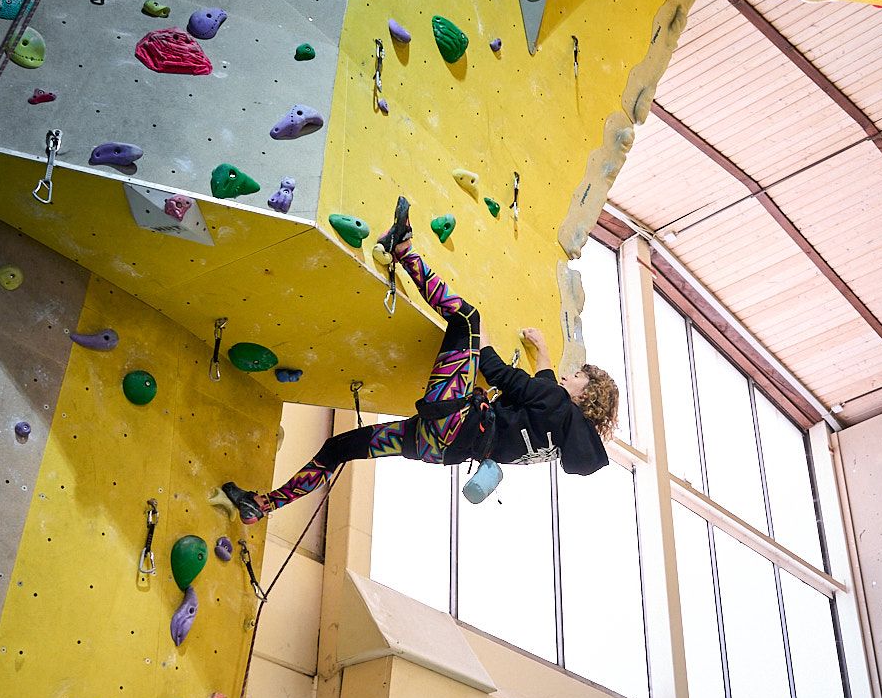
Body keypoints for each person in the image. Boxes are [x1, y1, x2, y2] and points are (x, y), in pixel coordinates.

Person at [218, 198, 619, 522]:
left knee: (468, 319)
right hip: (438, 449)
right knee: (338, 447)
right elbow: (543, 391)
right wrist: (544, 354)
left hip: (451, 417)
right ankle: (263, 506)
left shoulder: (556, 405)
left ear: (586, 397)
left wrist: (482, 342)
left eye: (580, 376)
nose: (571, 374)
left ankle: (403, 250)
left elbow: (496, 372)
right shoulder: (560, 442)